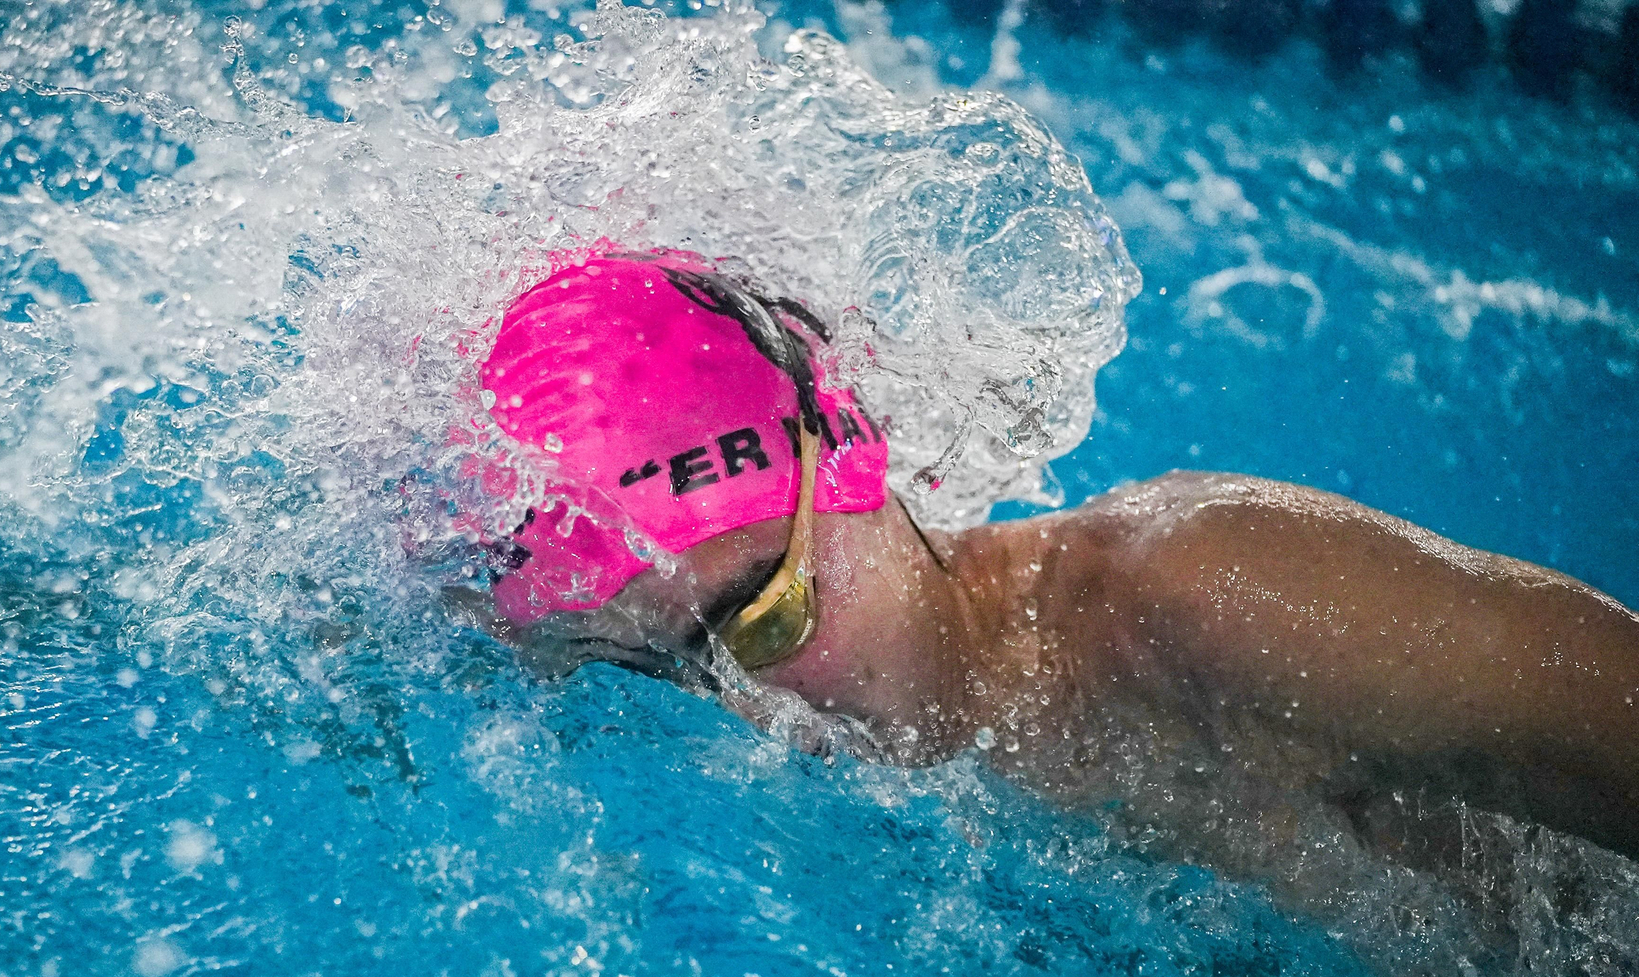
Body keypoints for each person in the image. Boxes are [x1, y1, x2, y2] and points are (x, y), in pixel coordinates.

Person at [457, 248, 1639, 882]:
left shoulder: (1210, 595)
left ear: (850, 442)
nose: (746, 720)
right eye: (655, 676)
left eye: (763, 617)